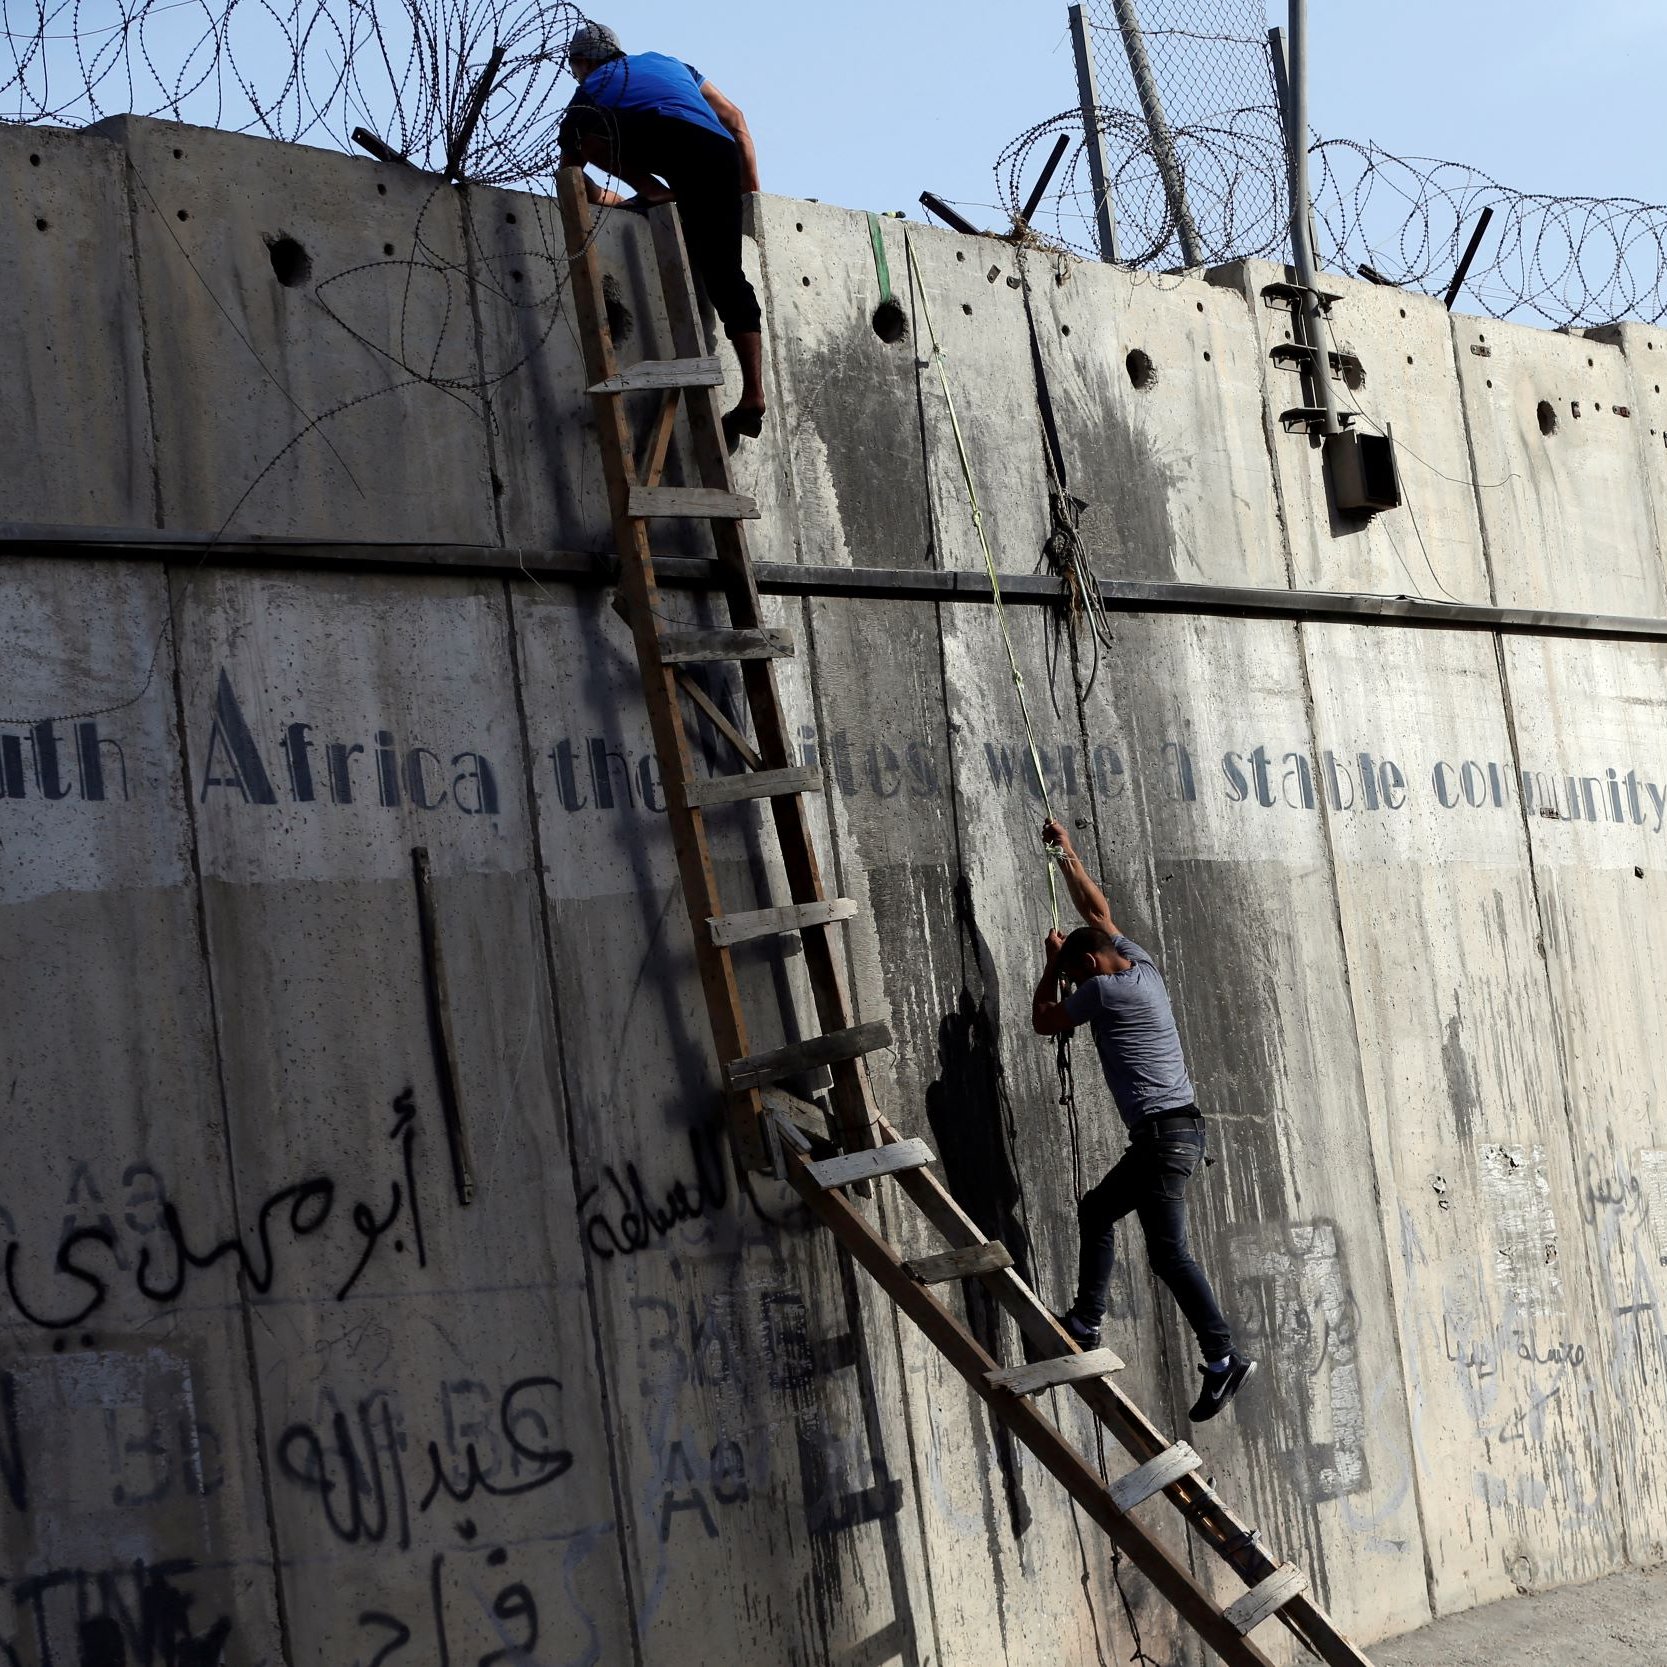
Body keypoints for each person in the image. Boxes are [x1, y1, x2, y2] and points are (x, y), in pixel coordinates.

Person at [1029, 818, 1254, 1423]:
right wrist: (1068, 853)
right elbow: (1097, 913)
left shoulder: (1102, 992)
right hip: (1180, 1133)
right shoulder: (1142, 967)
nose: (1080, 981)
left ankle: (1197, 1348)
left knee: (1138, 1235)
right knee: (1135, 1233)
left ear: (1091, 968)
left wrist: (1053, 969)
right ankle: (1203, 1351)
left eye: (1081, 973)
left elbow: (1044, 1020)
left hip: (1160, 1138)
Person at [558, 21, 766, 449]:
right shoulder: (673, 65)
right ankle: (753, 395)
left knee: (581, 132)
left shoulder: (589, 90)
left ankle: (652, 190)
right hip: (717, 154)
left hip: (668, 147)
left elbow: (573, 175)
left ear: (582, 62)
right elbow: (737, 121)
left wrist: (615, 197)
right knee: (727, 278)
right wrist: (748, 196)